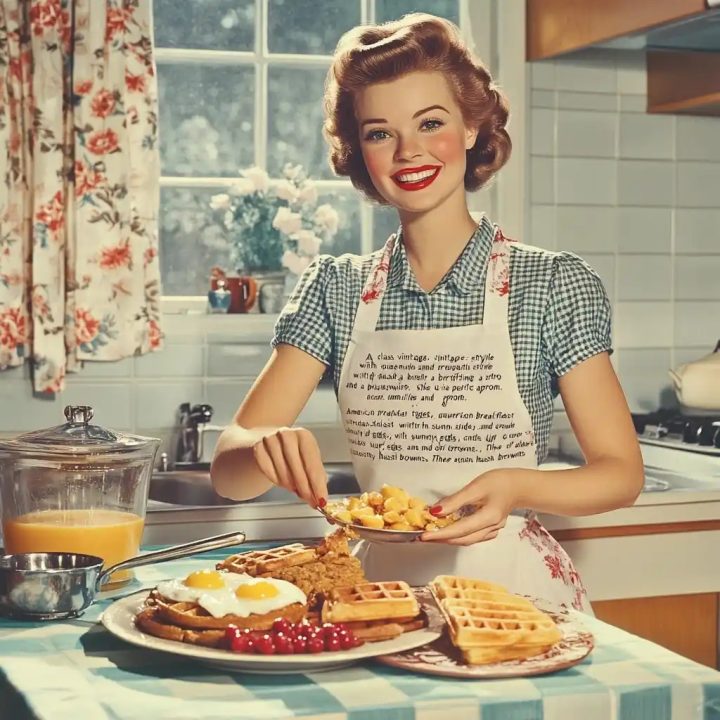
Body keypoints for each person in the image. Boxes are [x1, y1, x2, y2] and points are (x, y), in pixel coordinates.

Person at [211, 13, 644, 613]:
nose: (408, 151)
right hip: (377, 596)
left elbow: (621, 473)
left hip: (513, 591)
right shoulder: (335, 289)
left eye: (431, 123)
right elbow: (229, 475)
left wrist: (516, 485)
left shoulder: (551, 284)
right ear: (360, 150)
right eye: (379, 132)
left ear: (471, 127)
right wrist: (262, 448)